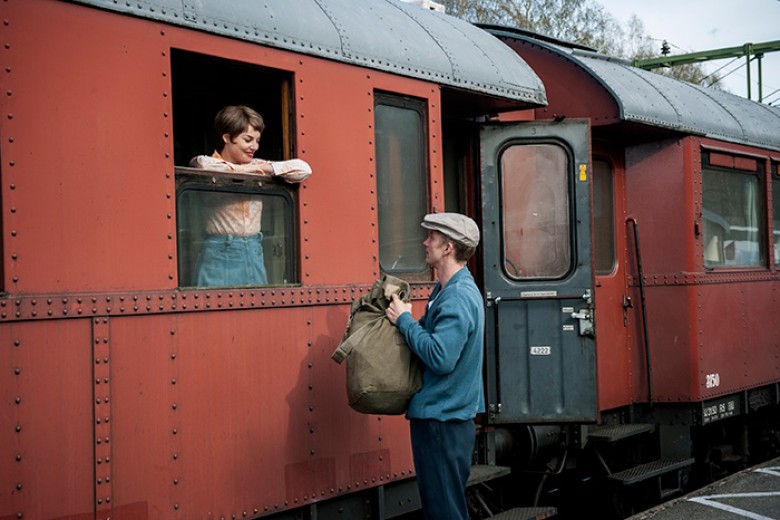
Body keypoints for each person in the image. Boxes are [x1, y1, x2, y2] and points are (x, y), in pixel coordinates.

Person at [385, 212, 485, 520]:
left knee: (444, 512)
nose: (425, 242)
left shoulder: (456, 296)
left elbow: (441, 357)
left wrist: (404, 320)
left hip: (442, 419)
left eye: (432, 237)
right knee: (445, 506)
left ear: (448, 248)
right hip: (446, 417)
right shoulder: (448, 290)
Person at [189, 105, 311, 286]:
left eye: (257, 140)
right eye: (248, 139)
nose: (254, 147)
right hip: (221, 250)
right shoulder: (205, 162)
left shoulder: (258, 165)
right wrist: (253, 170)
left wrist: (258, 167)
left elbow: (303, 169)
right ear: (227, 138)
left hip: (254, 248)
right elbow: (208, 168)